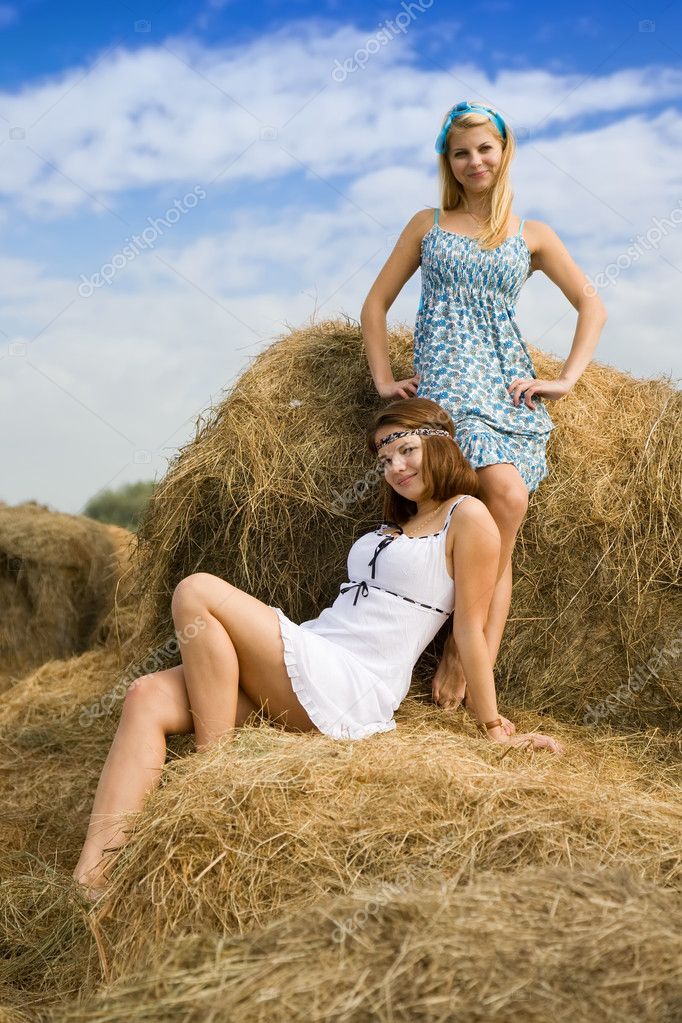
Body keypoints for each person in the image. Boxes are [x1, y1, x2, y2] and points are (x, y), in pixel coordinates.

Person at [73, 398, 564, 901]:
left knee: (197, 590)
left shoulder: (469, 516)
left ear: (439, 444)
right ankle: (91, 880)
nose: (395, 467)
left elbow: (469, 631)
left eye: (407, 450)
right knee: (146, 695)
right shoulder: (395, 524)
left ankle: (213, 774)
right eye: (384, 459)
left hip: (352, 680)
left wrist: (492, 727)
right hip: (313, 651)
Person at [360, 100, 608, 713]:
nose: (475, 161)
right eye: (461, 151)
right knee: (507, 497)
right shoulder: (427, 224)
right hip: (449, 383)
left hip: (505, 383)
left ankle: (471, 655)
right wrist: (384, 379)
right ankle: (465, 650)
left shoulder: (534, 236)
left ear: (505, 152)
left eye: (485, 149)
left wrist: (566, 380)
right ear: (449, 160)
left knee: (503, 525)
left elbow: (592, 305)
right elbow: (374, 306)